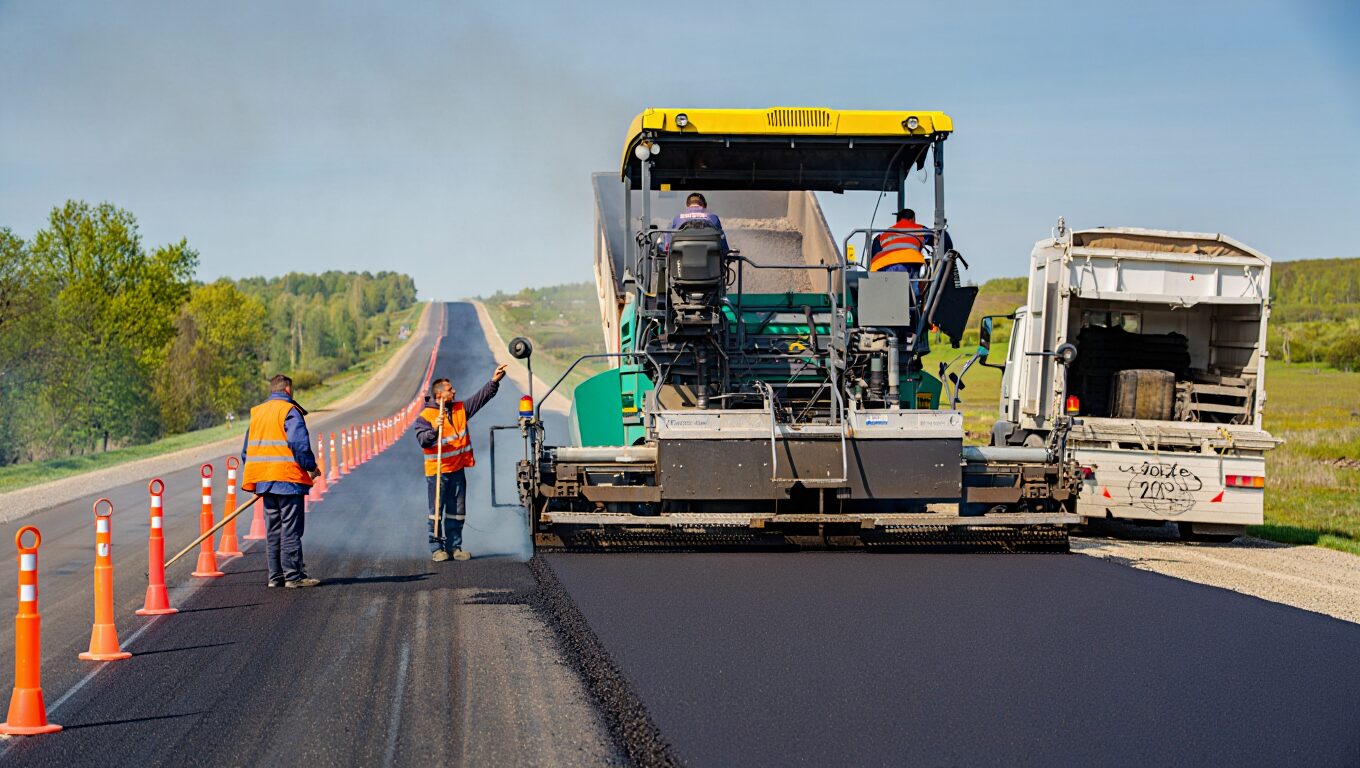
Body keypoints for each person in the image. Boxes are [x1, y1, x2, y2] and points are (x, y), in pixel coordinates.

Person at [413, 365, 507, 561]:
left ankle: (455, 547)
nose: (454, 391)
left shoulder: (459, 409)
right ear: (439, 396)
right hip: (437, 471)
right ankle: (437, 549)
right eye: (450, 390)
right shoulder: (426, 417)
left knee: (457, 511)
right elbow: (423, 440)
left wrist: (494, 381)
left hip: (457, 470)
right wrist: (435, 430)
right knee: (436, 512)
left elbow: (480, 399)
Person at [241, 374, 321, 588]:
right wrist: (311, 466)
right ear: (287, 389)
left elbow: (246, 452)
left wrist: (260, 474)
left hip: (265, 481)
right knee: (290, 528)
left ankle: (275, 577)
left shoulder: (257, 413)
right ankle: (293, 576)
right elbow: (299, 444)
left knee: (273, 529)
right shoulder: (289, 411)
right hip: (287, 480)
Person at [664, 192, 729, 252]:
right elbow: (722, 241)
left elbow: (668, 241)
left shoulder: (677, 218)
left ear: (687, 205)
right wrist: (725, 251)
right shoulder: (713, 217)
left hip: (680, 257)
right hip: (711, 257)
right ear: (705, 206)